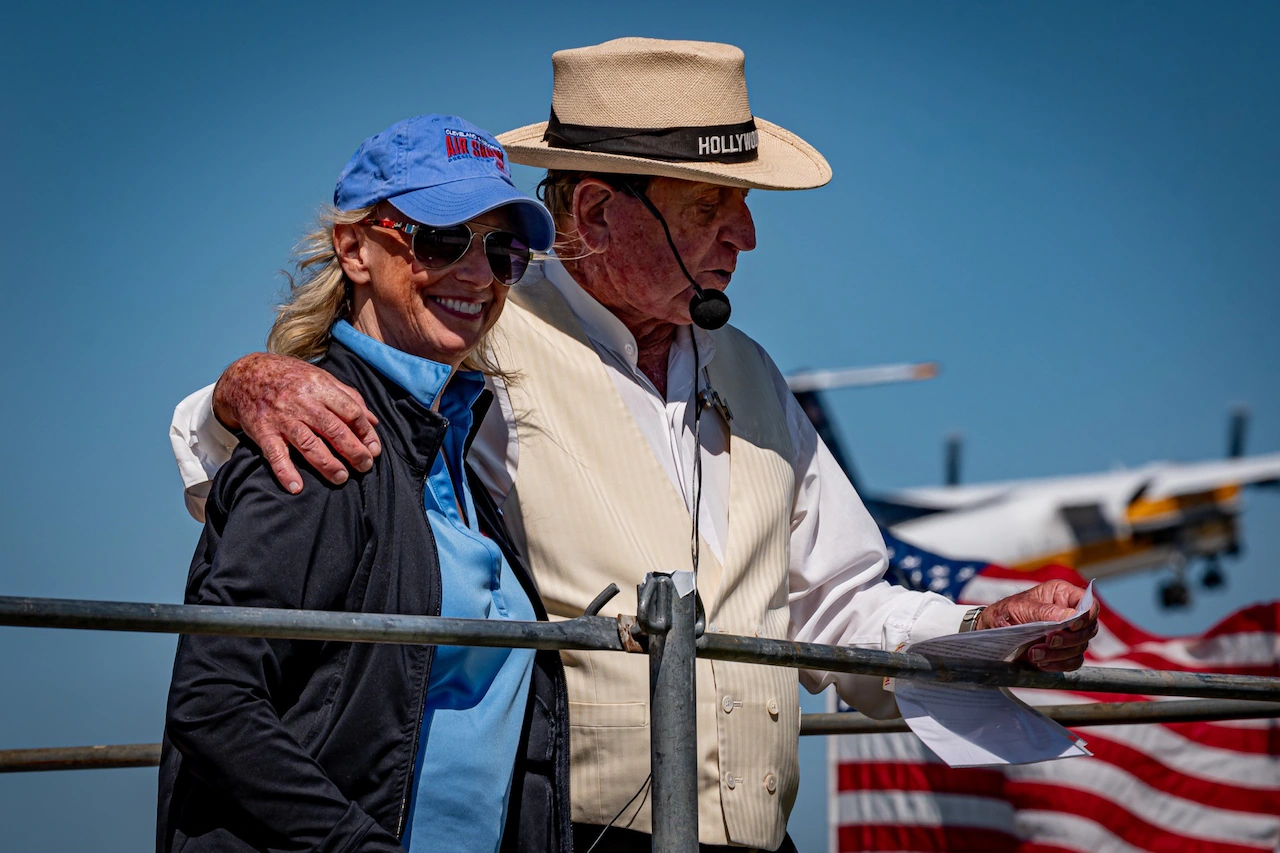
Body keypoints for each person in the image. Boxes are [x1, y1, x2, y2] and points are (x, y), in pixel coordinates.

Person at [170, 40, 1099, 853]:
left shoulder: (753, 371)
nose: (747, 234)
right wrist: (241, 387)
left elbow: (836, 603)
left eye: (741, 203)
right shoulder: (473, 325)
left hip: (755, 837)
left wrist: (982, 634)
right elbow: (288, 442)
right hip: (562, 834)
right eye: (711, 205)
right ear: (598, 212)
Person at [158, 114, 573, 853]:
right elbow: (214, 698)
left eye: (503, 251)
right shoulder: (316, 436)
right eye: (441, 240)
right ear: (354, 248)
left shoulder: (454, 437)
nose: (478, 275)